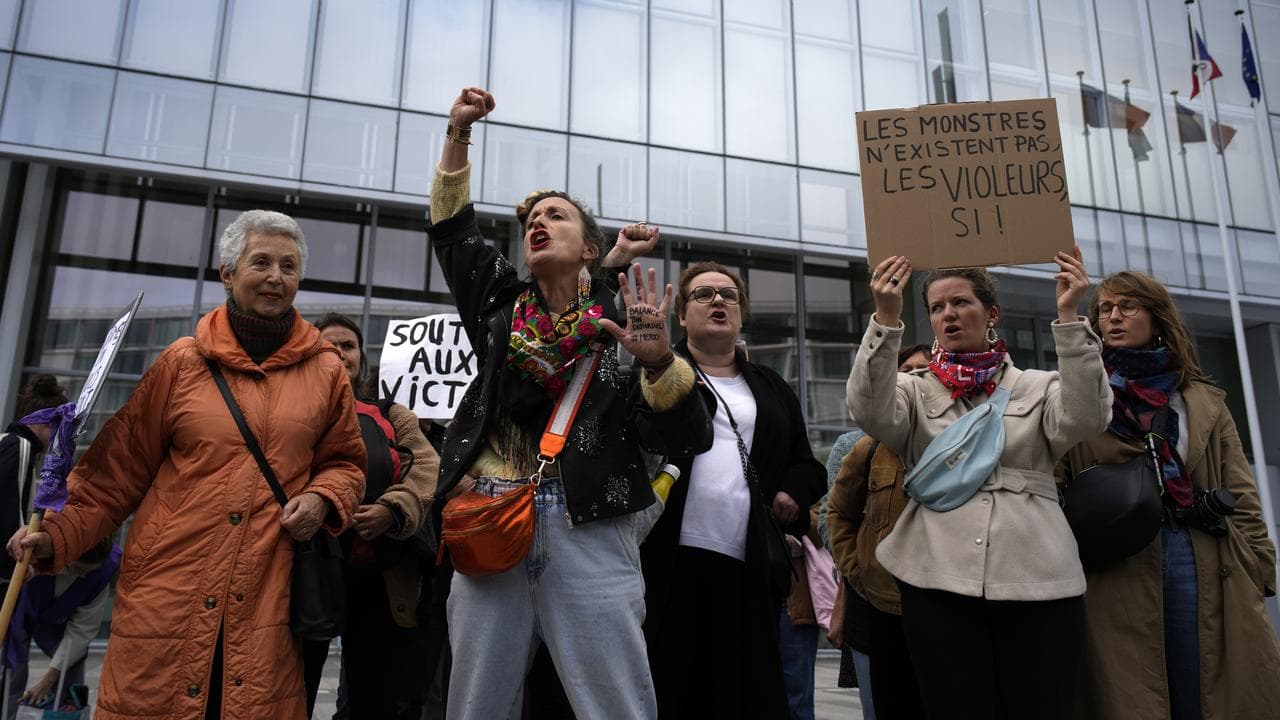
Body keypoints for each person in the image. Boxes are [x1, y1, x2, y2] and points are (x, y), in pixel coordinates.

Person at [6, 209, 366, 720]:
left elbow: (346, 464)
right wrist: (58, 535)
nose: (275, 277)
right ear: (227, 273)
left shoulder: (326, 369)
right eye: (260, 262)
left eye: (288, 267)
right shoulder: (181, 362)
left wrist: (323, 497)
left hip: (266, 593)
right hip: (167, 590)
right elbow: (112, 477)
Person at [426, 87, 712, 720]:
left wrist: (660, 363)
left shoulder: (624, 323)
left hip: (592, 527)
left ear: (589, 249)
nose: (539, 221)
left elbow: (689, 438)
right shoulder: (499, 308)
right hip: (490, 522)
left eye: (557, 214)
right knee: (473, 706)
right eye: (533, 217)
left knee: (617, 706)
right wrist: (458, 131)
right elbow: (452, 230)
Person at [845, 248, 1110, 719]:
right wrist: (886, 317)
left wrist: (1069, 317)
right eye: (936, 307)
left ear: (991, 313)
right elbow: (867, 408)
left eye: (961, 303)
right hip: (936, 580)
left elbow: (1088, 419)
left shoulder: (1040, 385)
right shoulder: (913, 387)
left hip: (1039, 580)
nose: (948, 314)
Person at [1058, 271, 1280, 720]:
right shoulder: (1078, 393)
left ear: (1157, 318)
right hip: (1113, 560)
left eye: (1128, 307)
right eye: (1104, 309)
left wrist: (1258, 565)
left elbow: (1241, 491)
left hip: (1198, 552)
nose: (1113, 317)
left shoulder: (1199, 399)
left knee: (1202, 687)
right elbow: (1056, 481)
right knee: (1132, 693)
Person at [641, 260, 828, 719]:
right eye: (703, 295)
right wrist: (653, 362)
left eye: (729, 295)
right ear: (681, 316)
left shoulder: (770, 387)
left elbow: (807, 464)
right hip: (666, 559)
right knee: (667, 684)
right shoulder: (659, 373)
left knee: (740, 689)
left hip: (747, 564)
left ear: (741, 314)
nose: (718, 301)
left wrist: (790, 491)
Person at [300, 312, 438, 718]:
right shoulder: (290, 413)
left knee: (373, 698)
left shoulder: (392, 414)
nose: (341, 353)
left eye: (349, 345)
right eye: (330, 345)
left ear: (361, 356)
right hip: (307, 577)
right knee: (294, 689)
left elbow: (427, 469)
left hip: (380, 579)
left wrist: (393, 510)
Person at [827, 344, 930, 720]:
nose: (917, 375)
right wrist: (860, 572)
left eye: (925, 368)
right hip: (876, 608)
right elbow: (834, 514)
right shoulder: (861, 445)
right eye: (908, 368)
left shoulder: (957, 440)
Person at [3, 537, 118, 717]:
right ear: (67, 557)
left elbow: (81, 631)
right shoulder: (39, 554)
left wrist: (48, 680)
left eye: (88, 573)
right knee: (12, 672)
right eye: (78, 569)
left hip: (61, 622)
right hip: (23, 613)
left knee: (71, 669)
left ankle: (69, 714)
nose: (82, 577)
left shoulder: (100, 575)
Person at [1, 375, 68, 587]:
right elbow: (9, 508)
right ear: (47, 423)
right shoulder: (20, 447)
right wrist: (18, 564)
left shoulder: (6, 441)